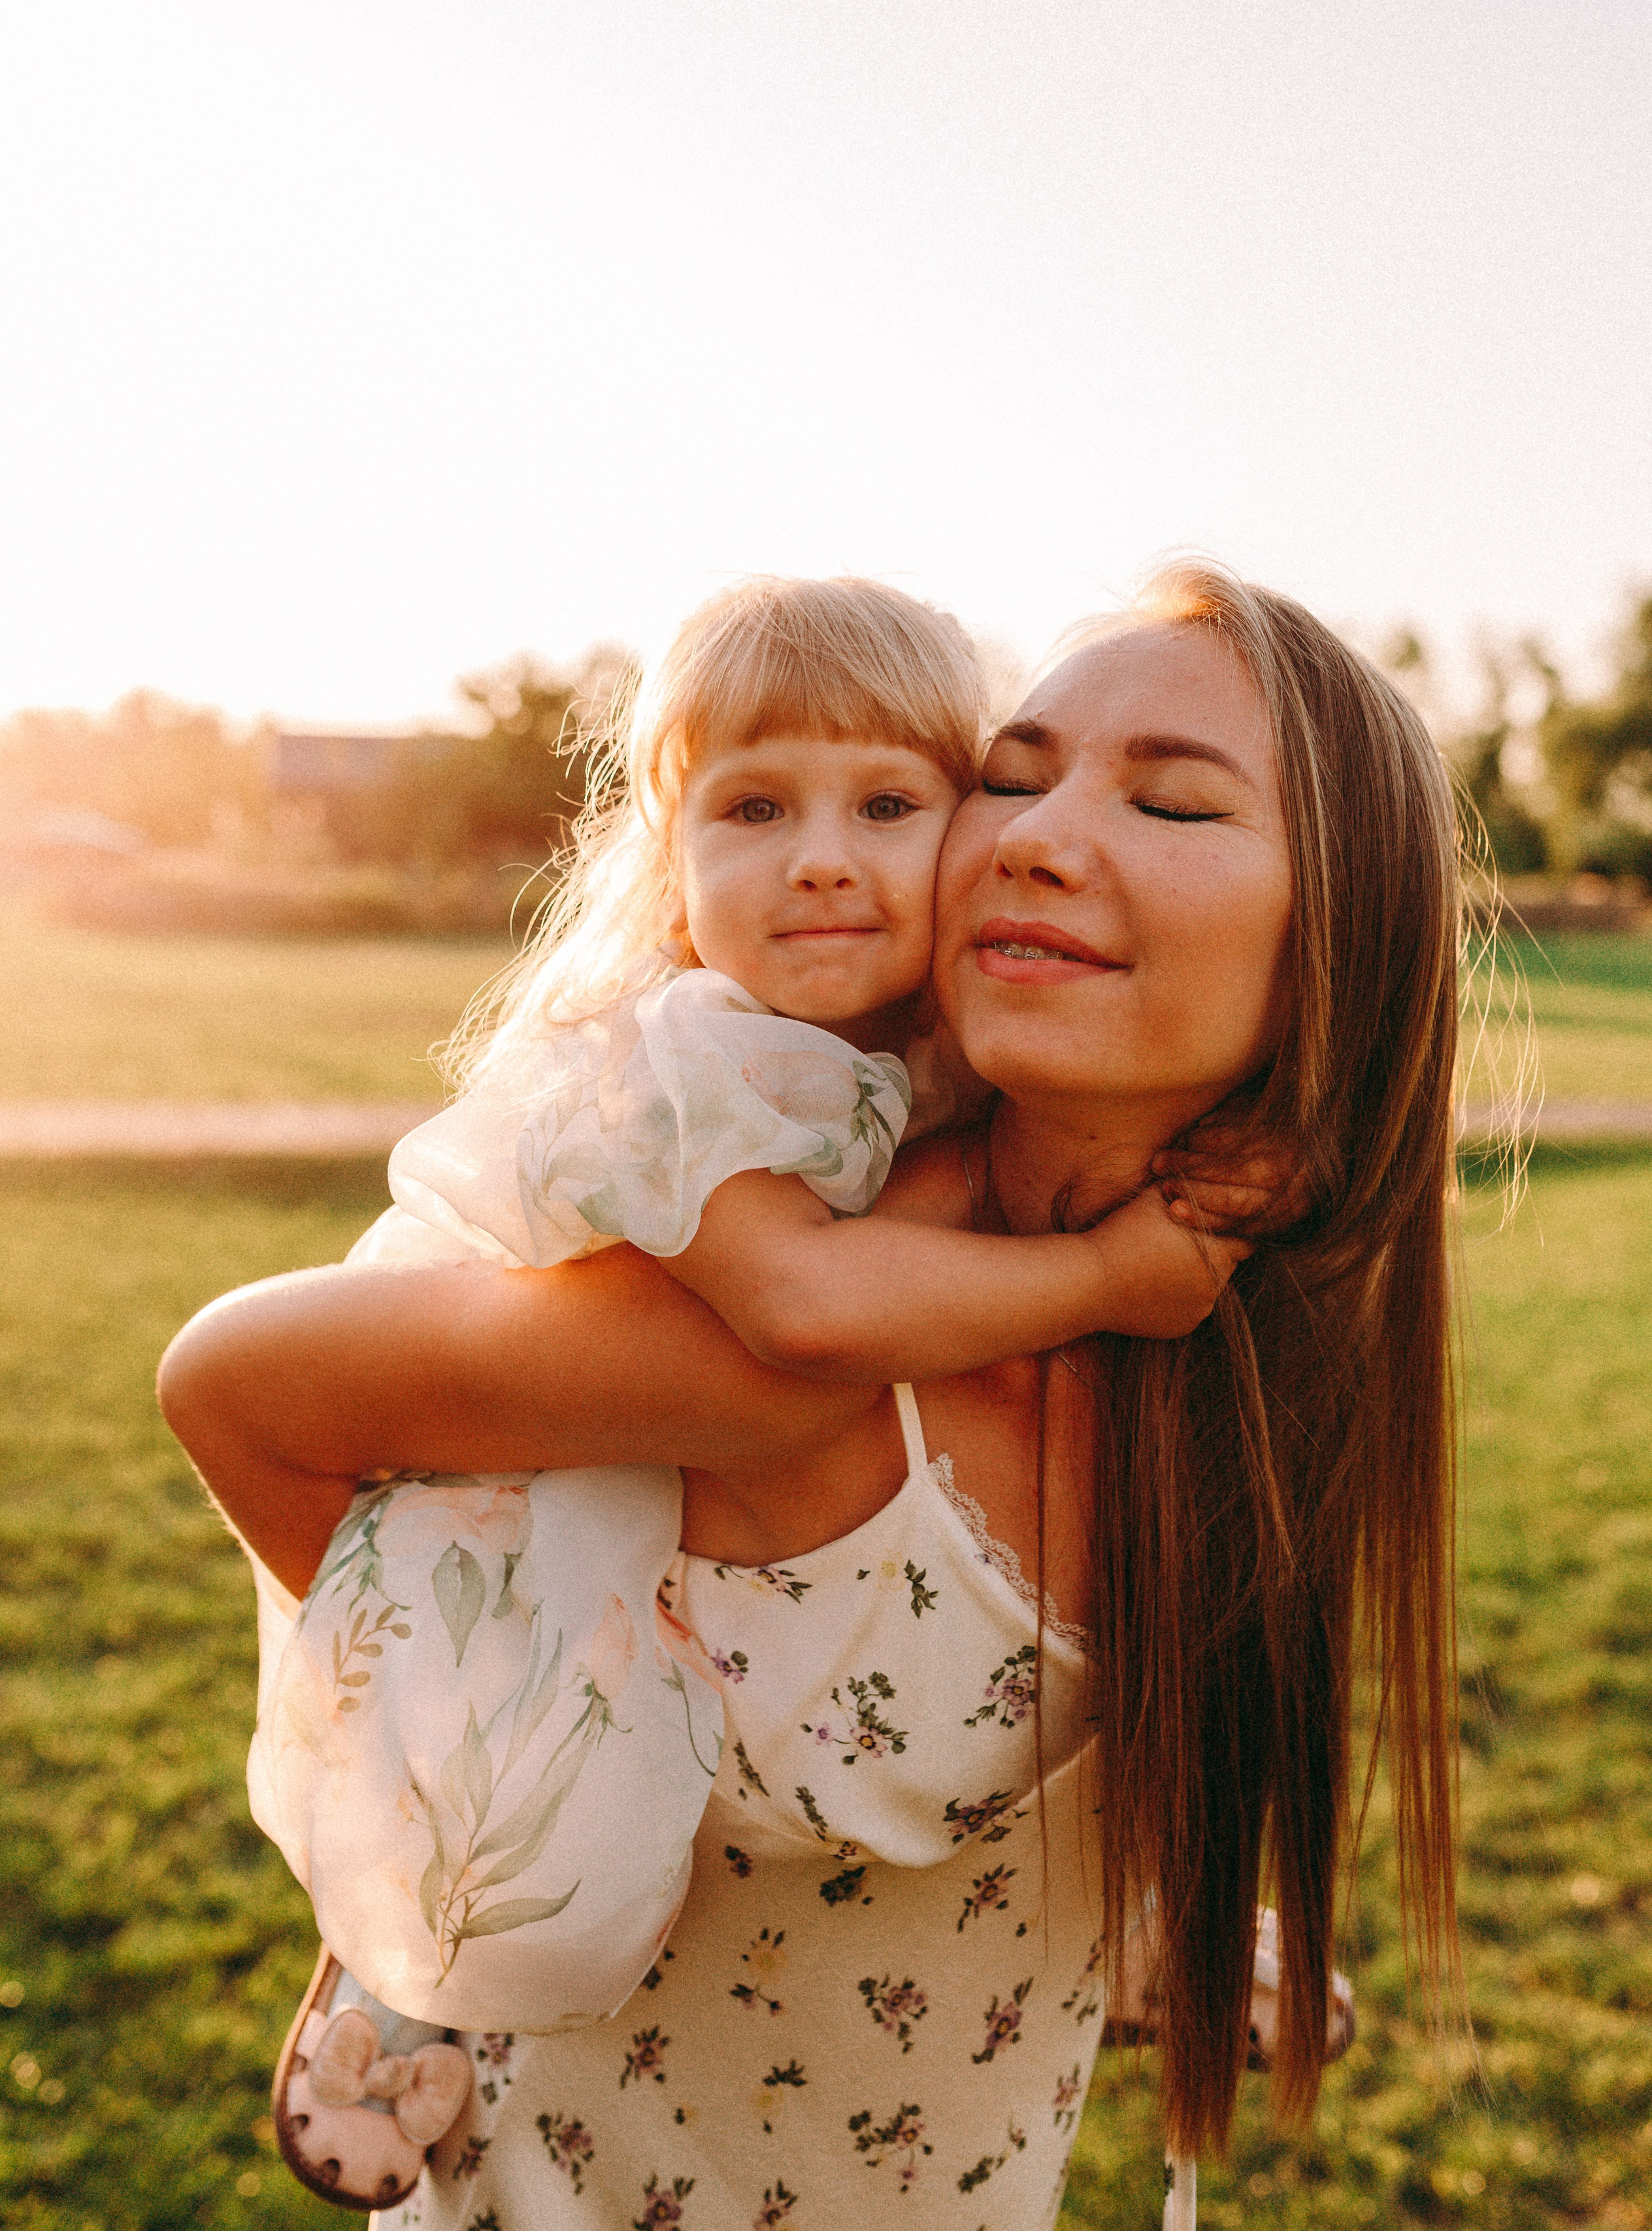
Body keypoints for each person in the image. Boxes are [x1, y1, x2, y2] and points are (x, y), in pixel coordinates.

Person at [161, 559, 1461, 2231]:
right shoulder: (799, 1345)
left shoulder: (1250, 1340)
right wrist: (458, 1728)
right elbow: (238, 1388)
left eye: (1169, 802)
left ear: (1338, 947)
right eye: (1019, 772)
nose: (1038, 834)